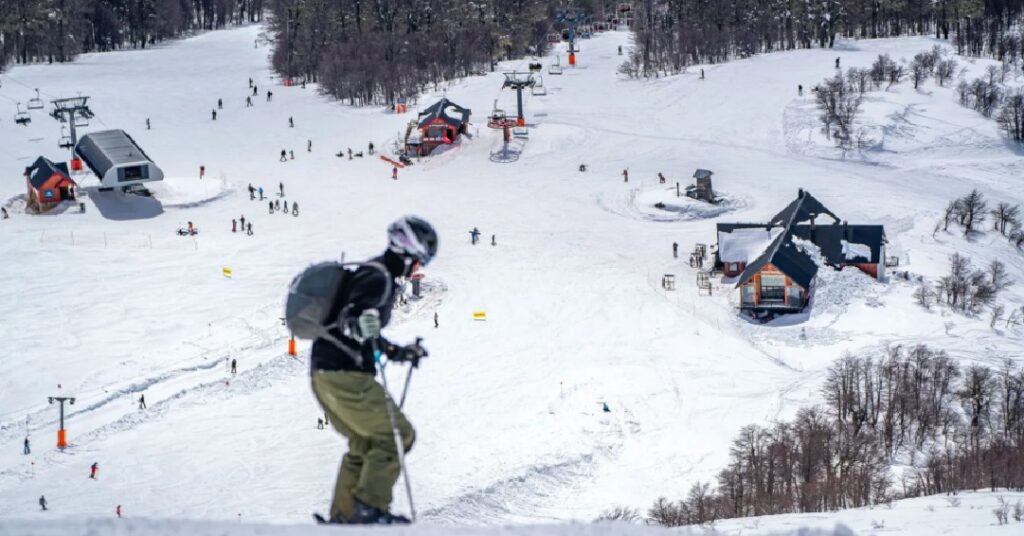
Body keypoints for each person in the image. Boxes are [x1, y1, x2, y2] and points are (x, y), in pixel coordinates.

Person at [309, 216, 437, 525]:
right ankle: (368, 508)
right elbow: (353, 317)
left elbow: (363, 326)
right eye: (420, 260)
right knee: (397, 436)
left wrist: (396, 351)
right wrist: (358, 323)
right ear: (408, 251)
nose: (418, 267)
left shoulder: (376, 273)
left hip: (325, 373)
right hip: (345, 373)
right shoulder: (378, 276)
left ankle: (344, 516)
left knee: (364, 444)